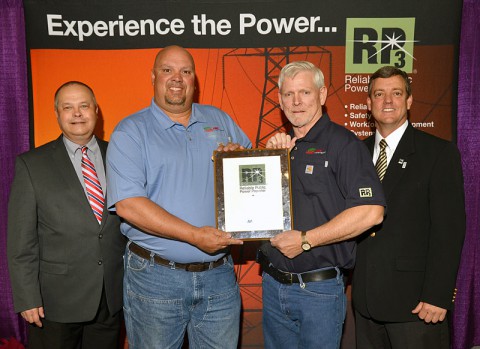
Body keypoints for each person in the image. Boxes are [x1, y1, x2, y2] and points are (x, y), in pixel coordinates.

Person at [106, 45, 252, 349]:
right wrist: (195, 236)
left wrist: (240, 161)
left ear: (194, 80)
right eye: (168, 70)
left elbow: (254, 177)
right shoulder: (131, 131)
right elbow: (129, 206)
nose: (177, 78)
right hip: (155, 278)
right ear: (153, 76)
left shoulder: (220, 120)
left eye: (186, 71)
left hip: (219, 275)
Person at [259, 61, 386, 349]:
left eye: (304, 92)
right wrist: (270, 160)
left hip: (318, 290)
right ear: (279, 100)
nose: (296, 101)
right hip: (273, 284)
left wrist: (306, 240)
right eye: (288, 94)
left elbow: (372, 212)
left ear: (323, 94)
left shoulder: (344, 144)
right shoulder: (281, 146)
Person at [352, 66, 466, 348]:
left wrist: (438, 295)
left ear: (409, 101)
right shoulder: (356, 153)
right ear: (368, 104)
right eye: (379, 94)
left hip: (417, 306)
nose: (387, 101)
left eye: (396, 93)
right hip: (365, 304)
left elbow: (449, 230)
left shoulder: (438, 153)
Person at [7, 81, 126, 349]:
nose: (77, 114)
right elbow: (20, 242)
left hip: (110, 299)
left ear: (96, 110)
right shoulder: (31, 164)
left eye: (84, 106)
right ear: (57, 114)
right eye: (68, 107)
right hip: (54, 304)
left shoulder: (121, 156)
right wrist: (27, 298)